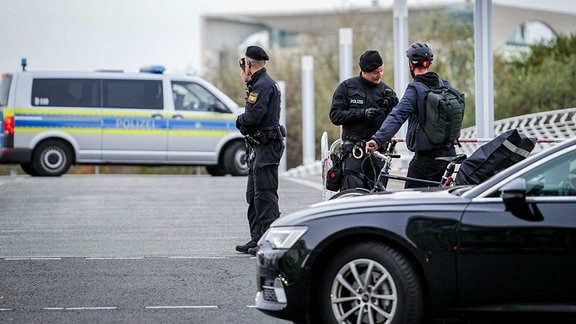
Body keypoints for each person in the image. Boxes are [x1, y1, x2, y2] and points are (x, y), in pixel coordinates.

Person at [365, 42, 458, 188]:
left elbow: (397, 116)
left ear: (411, 65)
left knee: (410, 200)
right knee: (437, 200)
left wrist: (377, 140)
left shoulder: (415, 89)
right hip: (449, 152)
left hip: (426, 158)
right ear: (429, 64)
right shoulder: (445, 85)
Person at [235, 45, 285, 256]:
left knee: (265, 195)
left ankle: (269, 240)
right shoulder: (260, 83)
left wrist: (239, 121)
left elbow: (254, 117)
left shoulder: (262, 85)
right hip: (259, 147)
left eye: (243, 64)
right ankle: (257, 238)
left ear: (248, 64)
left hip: (267, 146)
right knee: (254, 195)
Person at [329, 49, 398, 191]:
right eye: (376, 72)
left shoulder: (386, 91)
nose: (380, 75)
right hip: (354, 151)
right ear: (365, 71)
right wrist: (361, 113)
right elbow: (335, 116)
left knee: (377, 196)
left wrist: (391, 109)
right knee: (352, 195)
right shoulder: (347, 87)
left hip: (378, 152)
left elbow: (393, 123)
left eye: (381, 71)